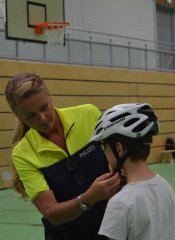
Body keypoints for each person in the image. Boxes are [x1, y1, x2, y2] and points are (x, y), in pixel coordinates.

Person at [5, 73, 121, 240]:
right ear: (19, 117)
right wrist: (90, 197)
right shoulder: (23, 153)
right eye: (30, 116)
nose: (42, 118)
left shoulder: (89, 114)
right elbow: (52, 213)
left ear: (50, 98)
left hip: (110, 227)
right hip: (65, 235)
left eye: (44, 107)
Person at [90, 103, 175, 240]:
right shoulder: (166, 187)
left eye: (104, 147)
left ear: (119, 149)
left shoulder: (120, 203)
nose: (104, 153)